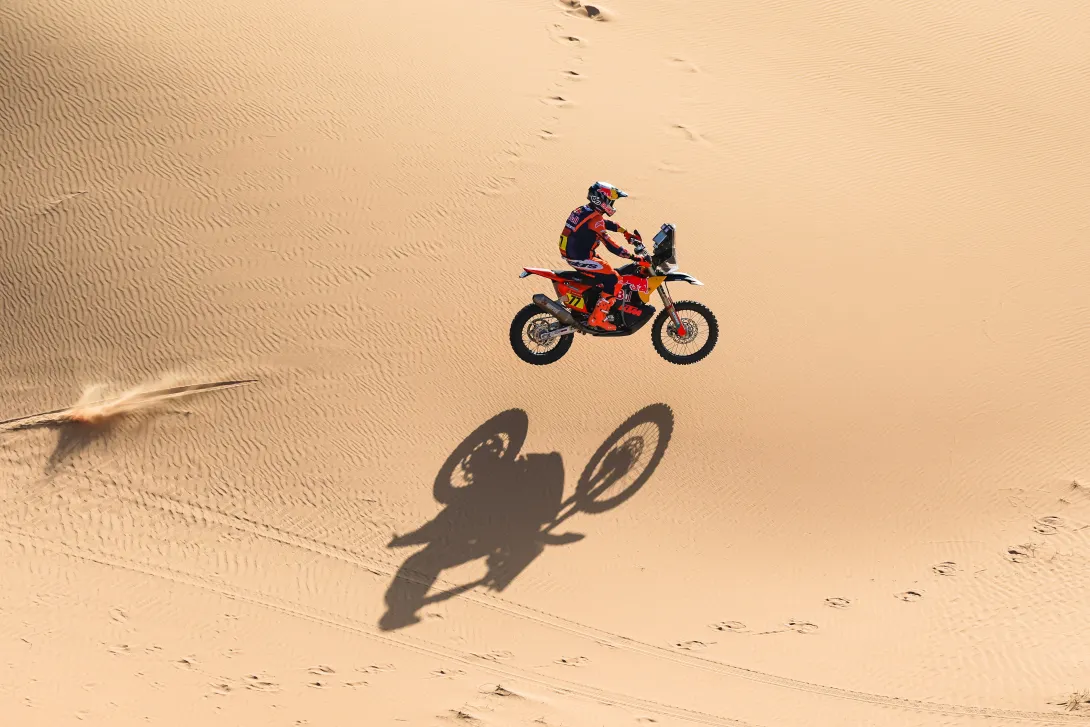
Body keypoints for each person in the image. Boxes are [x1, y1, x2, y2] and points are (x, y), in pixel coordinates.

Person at [558, 181, 647, 331]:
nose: (612, 205)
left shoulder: (583, 210)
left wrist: (625, 232)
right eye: (610, 201)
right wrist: (633, 257)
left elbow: (605, 223)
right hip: (579, 257)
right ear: (601, 199)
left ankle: (591, 305)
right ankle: (597, 319)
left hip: (575, 253)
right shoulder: (595, 219)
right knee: (614, 279)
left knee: (605, 271)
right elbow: (610, 244)